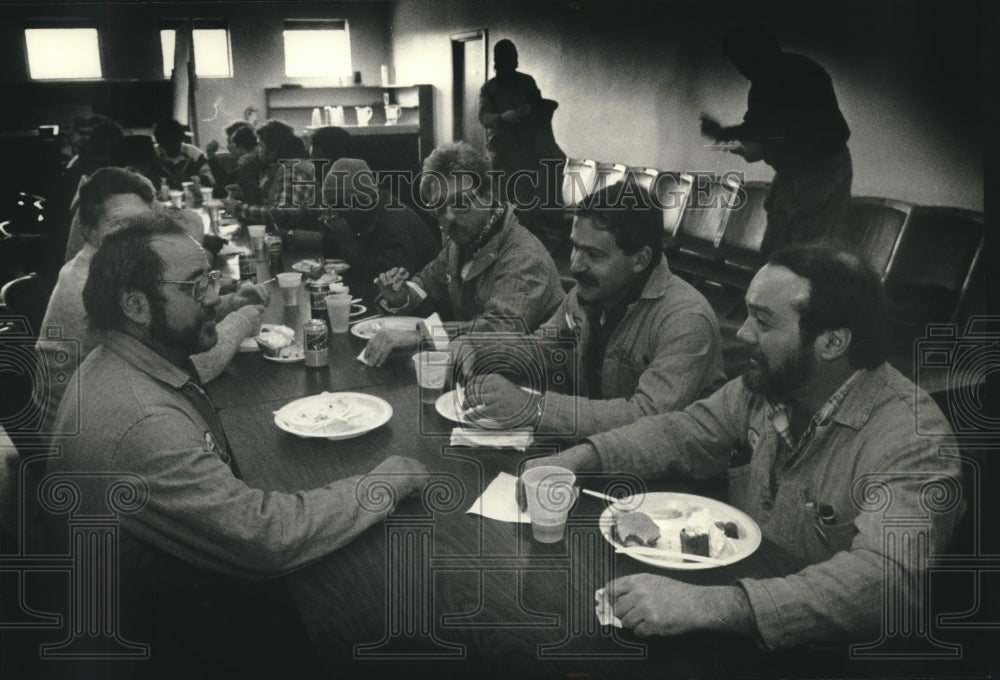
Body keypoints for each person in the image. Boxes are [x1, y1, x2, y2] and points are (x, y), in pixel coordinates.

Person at [528, 244, 962, 649]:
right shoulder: (773, 384)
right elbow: (683, 431)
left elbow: (885, 582)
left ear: (832, 342)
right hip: (750, 606)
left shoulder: (914, 440)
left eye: (764, 321)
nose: (744, 334)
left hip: (833, 653)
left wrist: (710, 605)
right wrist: (582, 457)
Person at [46, 216, 427, 675]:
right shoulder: (144, 421)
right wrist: (384, 483)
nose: (212, 295)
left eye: (211, 278)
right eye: (195, 286)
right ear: (135, 304)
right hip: (163, 645)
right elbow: (264, 538)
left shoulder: (114, 359)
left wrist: (223, 305)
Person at [462, 181, 726, 437]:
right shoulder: (588, 295)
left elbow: (646, 417)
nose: (575, 265)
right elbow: (542, 349)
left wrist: (535, 407)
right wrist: (480, 347)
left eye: (594, 255)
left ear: (640, 259)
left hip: (676, 478)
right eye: (575, 247)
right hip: (604, 455)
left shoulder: (686, 320)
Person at [36, 169, 266, 438]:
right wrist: (244, 319)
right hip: (86, 436)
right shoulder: (95, 285)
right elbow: (189, 368)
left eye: (144, 225)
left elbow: (166, 317)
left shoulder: (101, 265)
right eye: (121, 225)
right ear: (89, 231)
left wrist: (231, 303)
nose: (136, 237)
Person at [364, 141, 564, 366]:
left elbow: (499, 329)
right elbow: (427, 282)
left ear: (488, 195)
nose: (448, 217)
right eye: (439, 208)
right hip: (476, 369)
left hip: (530, 380)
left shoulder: (523, 255)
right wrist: (401, 296)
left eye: (460, 202)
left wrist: (421, 335)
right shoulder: (462, 243)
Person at [700, 23, 852, 252]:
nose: (739, 71)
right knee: (775, 241)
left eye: (739, 62)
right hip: (795, 170)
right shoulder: (764, 81)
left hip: (823, 170)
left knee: (806, 251)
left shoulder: (802, 76)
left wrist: (764, 150)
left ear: (754, 54)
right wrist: (722, 134)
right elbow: (757, 128)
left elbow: (814, 138)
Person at [479, 39, 566, 251]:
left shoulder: (526, 82)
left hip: (527, 152)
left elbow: (540, 106)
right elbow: (484, 117)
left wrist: (529, 109)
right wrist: (503, 117)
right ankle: (503, 244)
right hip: (502, 154)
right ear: (497, 63)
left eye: (512, 61)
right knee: (503, 202)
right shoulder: (489, 88)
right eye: (504, 61)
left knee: (527, 202)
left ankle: (527, 245)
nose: (509, 66)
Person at [319, 157, 440, 279]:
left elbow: (388, 278)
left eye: (337, 204)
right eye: (329, 205)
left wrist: (348, 243)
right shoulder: (366, 214)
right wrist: (331, 237)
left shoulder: (393, 221)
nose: (333, 212)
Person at [221, 119, 318, 232]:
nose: (257, 150)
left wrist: (237, 208)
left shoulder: (291, 171)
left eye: (260, 145)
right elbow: (272, 199)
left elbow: (279, 214)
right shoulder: (276, 167)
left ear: (273, 149)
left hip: (296, 243)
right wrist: (242, 193)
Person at [206, 121, 263, 201]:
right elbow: (226, 181)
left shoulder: (252, 163)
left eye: (230, 142)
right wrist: (211, 156)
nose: (228, 147)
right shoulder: (246, 162)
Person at [153, 117, 216, 189]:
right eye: (168, 146)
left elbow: (212, 177)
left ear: (181, 140)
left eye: (176, 145)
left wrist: (195, 179)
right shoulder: (152, 154)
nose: (172, 149)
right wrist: (165, 181)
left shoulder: (194, 153)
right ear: (160, 144)